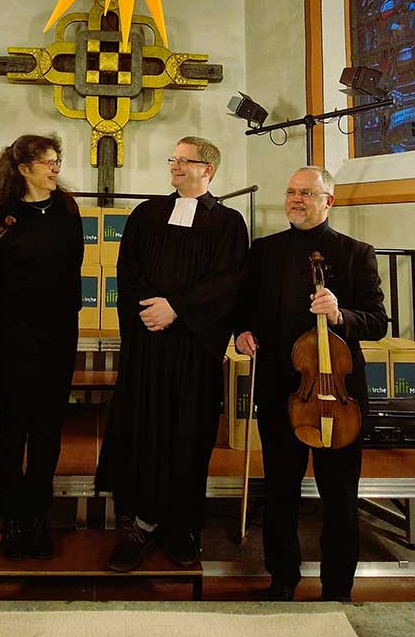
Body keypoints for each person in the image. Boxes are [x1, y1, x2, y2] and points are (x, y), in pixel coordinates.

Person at [234, 166, 388, 602]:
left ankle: (338, 590)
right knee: (279, 491)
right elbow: (244, 307)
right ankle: (282, 579)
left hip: (339, 399)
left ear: (328, 201)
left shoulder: (356, 253)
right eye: (291, 192)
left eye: (307, 192)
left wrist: (341, 315)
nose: (296, 199)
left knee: (339, 498)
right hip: (281, 390)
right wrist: (241, 331)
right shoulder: (263, 251)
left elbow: (377, 322)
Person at [96, 137, 248, 571]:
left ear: (209, 171)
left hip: (195, 353)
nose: (176, 166)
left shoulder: (229, 223)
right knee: (144, 433)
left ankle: (182, 527)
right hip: (148, 346)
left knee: (188, 437)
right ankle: (139, 525)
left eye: (185, 160)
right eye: (173, 159)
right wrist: (153, 312)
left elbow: (228, 282)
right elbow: (128, 271)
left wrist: (177, 309)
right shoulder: (146, 214)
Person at [0, 135, 84, 561]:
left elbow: (74, 263)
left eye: (57, 160)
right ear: (23, 169)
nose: (55, 168)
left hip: (58, 332)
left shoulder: (67, 207)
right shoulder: (2, 216)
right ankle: (13, 516)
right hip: (12, 335)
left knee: (48, 426)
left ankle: (38, 512)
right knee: (14, 425)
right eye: (47, 162)